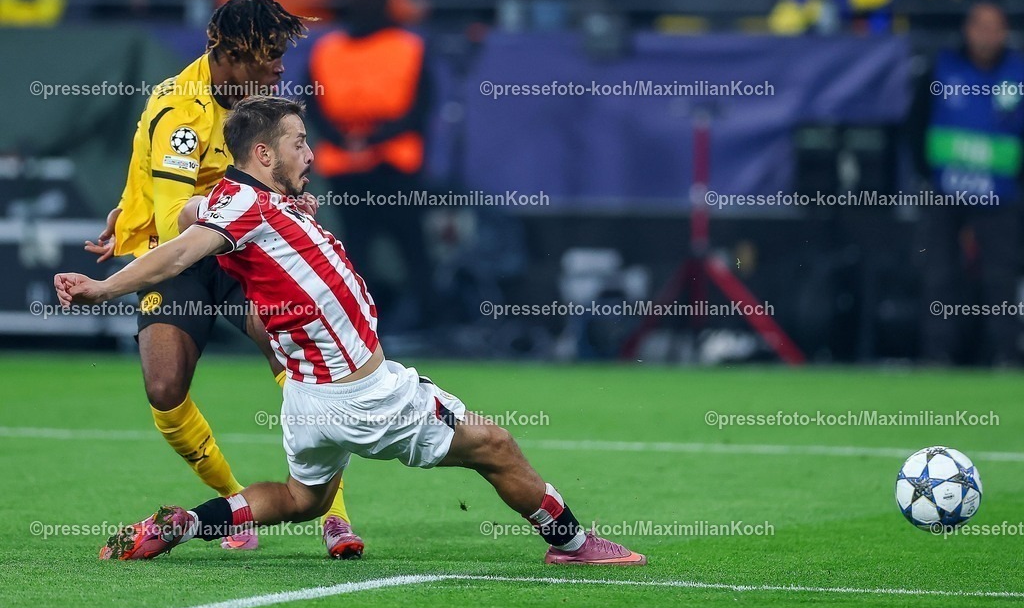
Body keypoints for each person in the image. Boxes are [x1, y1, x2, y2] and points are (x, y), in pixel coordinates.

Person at [56, 95, 646, 566]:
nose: (309, 152)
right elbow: (181, 252)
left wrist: (146, 215)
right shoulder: (248, 208)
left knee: (299, 500)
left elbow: (188, 214)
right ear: (263, 153)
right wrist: (104, 288)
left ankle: (189, 523)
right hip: (366, 394)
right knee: (495, 446)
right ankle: (571, 544)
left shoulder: (249, 200)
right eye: (298, 142)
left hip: (311, 401)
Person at [83, 0, 363, 557]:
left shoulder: (259, 106)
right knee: (164, 389)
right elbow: (172, 222)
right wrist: (140, 212)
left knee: (294, 356)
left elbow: (280, 179)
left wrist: (287, 205)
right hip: (180, 253)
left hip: (245, 250)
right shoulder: (179, 113)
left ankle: (333, 513)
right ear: (231, 53)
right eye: (270, 56)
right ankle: (238, 504)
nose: (280, 67)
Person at [306, 0, 435, 331]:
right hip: (349, 166)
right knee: (354, 252)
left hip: (392, 165)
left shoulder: (408, 47)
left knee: (409, 247)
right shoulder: (328, 49)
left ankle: (426, 321)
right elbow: (313, 104)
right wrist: (352, 140)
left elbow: (420, 107)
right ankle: (363, 324)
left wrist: (365, 139)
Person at [910, 1, 1024, 366]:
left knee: (1001, 278)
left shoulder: (1018, 74)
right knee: (939, 275)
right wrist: (927, 176)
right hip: (945, 193)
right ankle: (937, 356)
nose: (988, 35)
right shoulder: (941, 68)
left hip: (1001, 196)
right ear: (968, 30)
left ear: (1005, 32)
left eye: (996, 27)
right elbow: (915, 125)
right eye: (981, 26)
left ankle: (1006, 357)